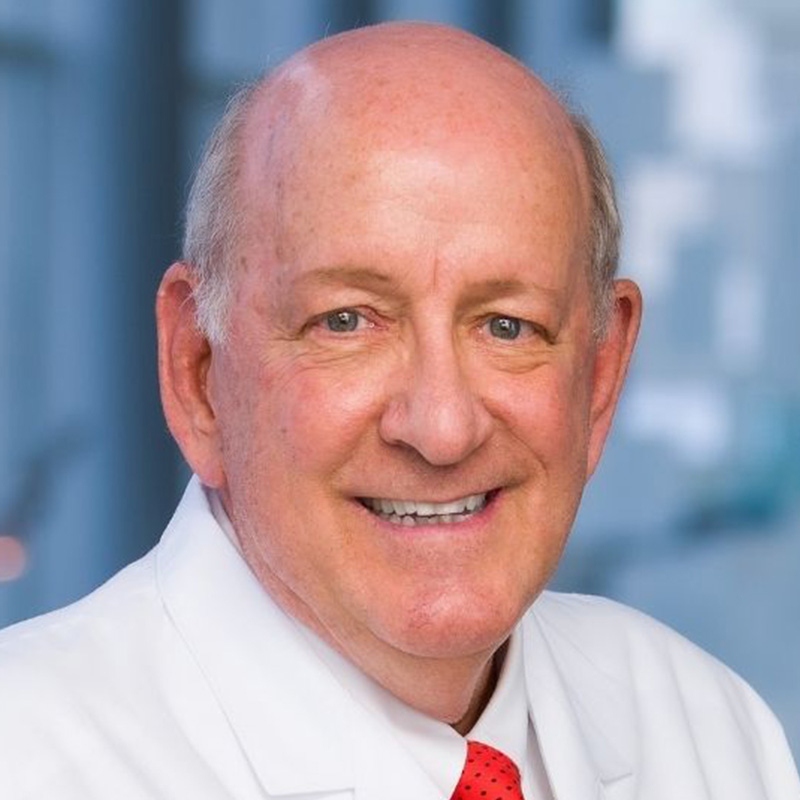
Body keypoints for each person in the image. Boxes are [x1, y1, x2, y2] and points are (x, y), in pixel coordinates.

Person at [0, 21, 797, 800]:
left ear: (599, 377)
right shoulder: (27, 757)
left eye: (507, 326)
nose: (442, 429)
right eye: (347, 320)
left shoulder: (717, 737)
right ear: (198, 373)